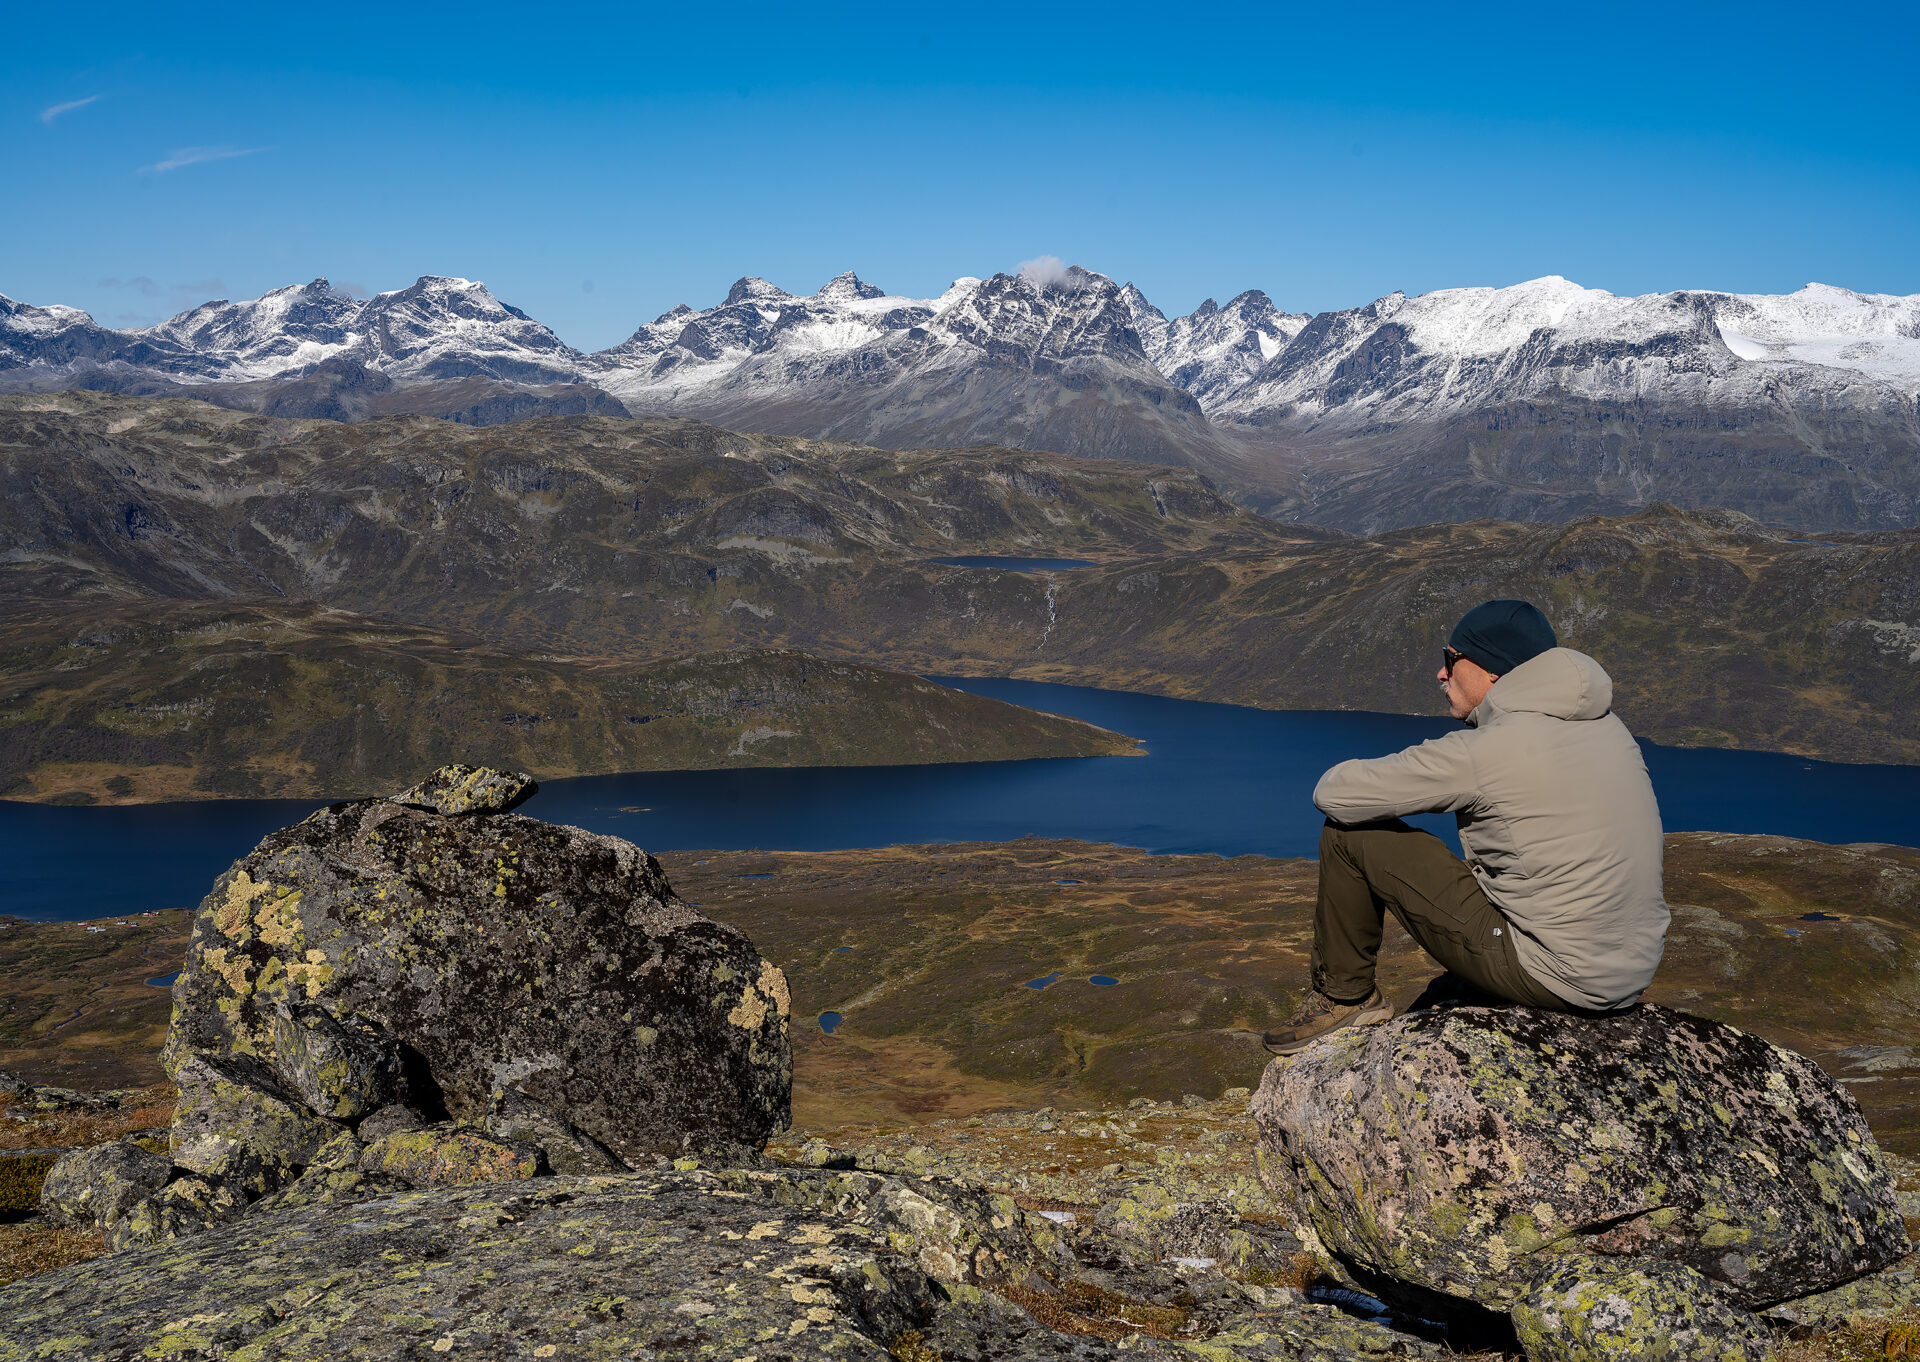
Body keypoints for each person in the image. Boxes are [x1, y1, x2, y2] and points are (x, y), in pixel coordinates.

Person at [1262, 600, 1668, 1055]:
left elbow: (1334, 793)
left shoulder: (1487, 751)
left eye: (1451, 660)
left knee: (1348, 834)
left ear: (1491, 671)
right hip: (1631, 970)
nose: (1441, 674)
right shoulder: (1610, 730)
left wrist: (1430, 764)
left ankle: (1344, 998)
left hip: (1557, 977)